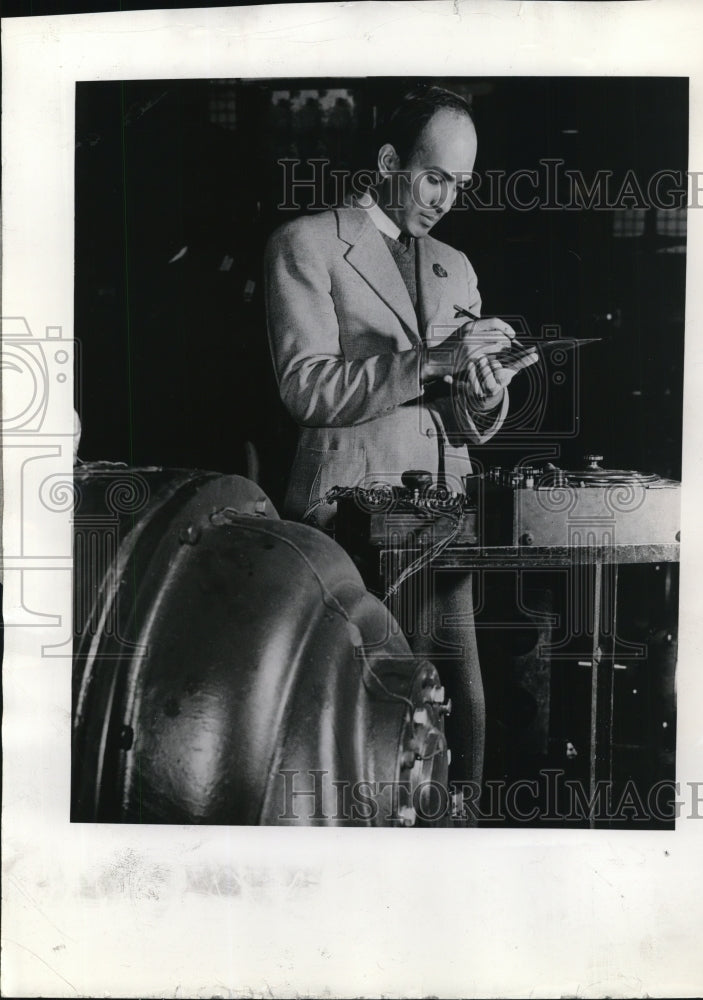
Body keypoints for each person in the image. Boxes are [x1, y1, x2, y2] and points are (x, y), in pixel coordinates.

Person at [265, 85, 537, 789]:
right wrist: (436, 360)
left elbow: (461, 418)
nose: (447, 199)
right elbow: (308, 390)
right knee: (367, 721)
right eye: (434, 177)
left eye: (461, 184)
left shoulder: (455, 264)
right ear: (389, 160)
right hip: (346, 527)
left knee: (461, 717)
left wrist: (485, 393)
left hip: (441, 527)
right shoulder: (307, 244)